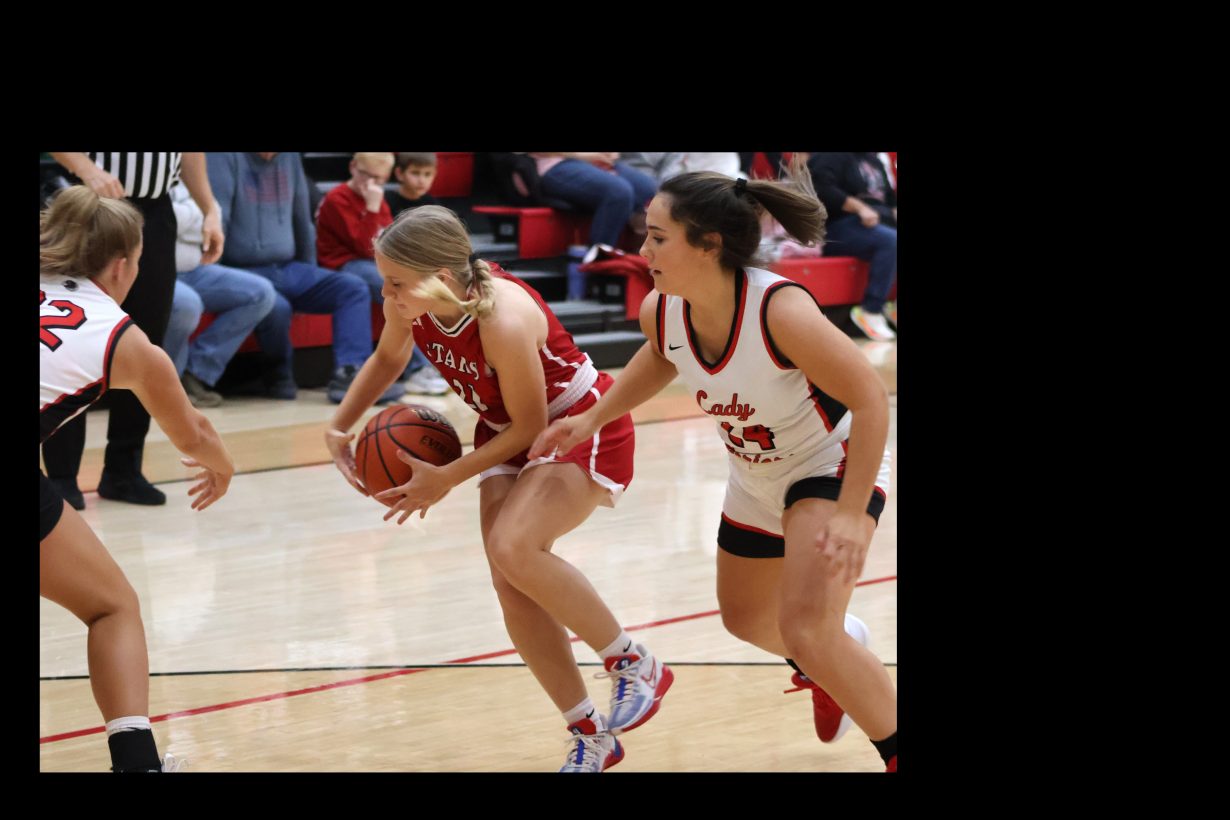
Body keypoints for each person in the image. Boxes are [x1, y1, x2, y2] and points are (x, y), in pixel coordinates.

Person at [530, 158, 899, 772]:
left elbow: (870, 398)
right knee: (746, 621)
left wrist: (854, 514)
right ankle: (833, 659)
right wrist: (592, 418)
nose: (642, 249)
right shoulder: (663, 309)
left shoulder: (779, 311)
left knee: (808, 628)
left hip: (827, 464)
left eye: (657, 237)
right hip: (753, 474)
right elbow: (662, 356)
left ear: (709, 245)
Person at [323, 205, 672, 773]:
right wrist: (341, 425)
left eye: (396, 282)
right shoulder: (409, 303)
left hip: (575, 420)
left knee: (515, 546)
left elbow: (532, 427)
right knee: (510, 581)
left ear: (440, 275)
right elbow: (389, 357)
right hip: (503, 428)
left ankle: (633, 663)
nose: (386, 293)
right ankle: (590, 733)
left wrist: (445, 479)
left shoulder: (501, 318)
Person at [40, 186, 235, 772]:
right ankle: (138, 765)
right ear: (123, 265)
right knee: (113, 607)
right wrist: (222, 466)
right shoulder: (123, 339)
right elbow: (193, 434)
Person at [43, 152, 224, 509]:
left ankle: (124, 471)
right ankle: (62, 477)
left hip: (155, 210)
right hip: (91, 204)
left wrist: (210, 208)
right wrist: (86, 169)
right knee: (73, 340)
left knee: (145, 340)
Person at [206, 152, 404, 405]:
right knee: (278, 306)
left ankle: (351, 375)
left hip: (289, 267)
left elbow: (302, 218)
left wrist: (310, 273)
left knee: (352, 288)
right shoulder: (223, 158)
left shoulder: (289, 157)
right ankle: (279, 378)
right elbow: (217, 219)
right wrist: (220, 275)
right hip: (243, 269)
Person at [316, 152, 447, 396]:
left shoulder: (377, 198)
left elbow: (387, 242)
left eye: (379, 179)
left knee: (414, 284)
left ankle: (427, 365)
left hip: (370, 262)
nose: (372, 183)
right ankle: (419, 368)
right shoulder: (337, 198)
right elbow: (365, 246)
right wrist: (372, 207)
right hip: (342, 264)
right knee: (399, 287)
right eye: (367, 176)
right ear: (353, 167)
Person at [164, 183, 282, 406]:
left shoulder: (185, 175)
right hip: (155, 272)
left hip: (195, 268)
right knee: (187, 303)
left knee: (261, 293)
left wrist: (188, 217)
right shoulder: (140, 174)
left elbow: (214, 213)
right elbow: (155, 220)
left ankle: (196, 371)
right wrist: (196, 215)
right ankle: (165, 384)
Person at [806, 152, 898, 341]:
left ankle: (893, 306)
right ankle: (871, 310)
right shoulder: (830, 156)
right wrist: (859, 207)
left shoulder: (874, 160)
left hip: (880, 222)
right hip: (839, 225)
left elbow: (889, 197)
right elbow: (821, 188)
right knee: (890, 241)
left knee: (890, 237)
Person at [385, 152, 440, 216]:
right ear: (399, 173)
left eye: (427, 174)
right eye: (415, 173)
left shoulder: (432, 205)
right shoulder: (385, 202)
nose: (421, 181)